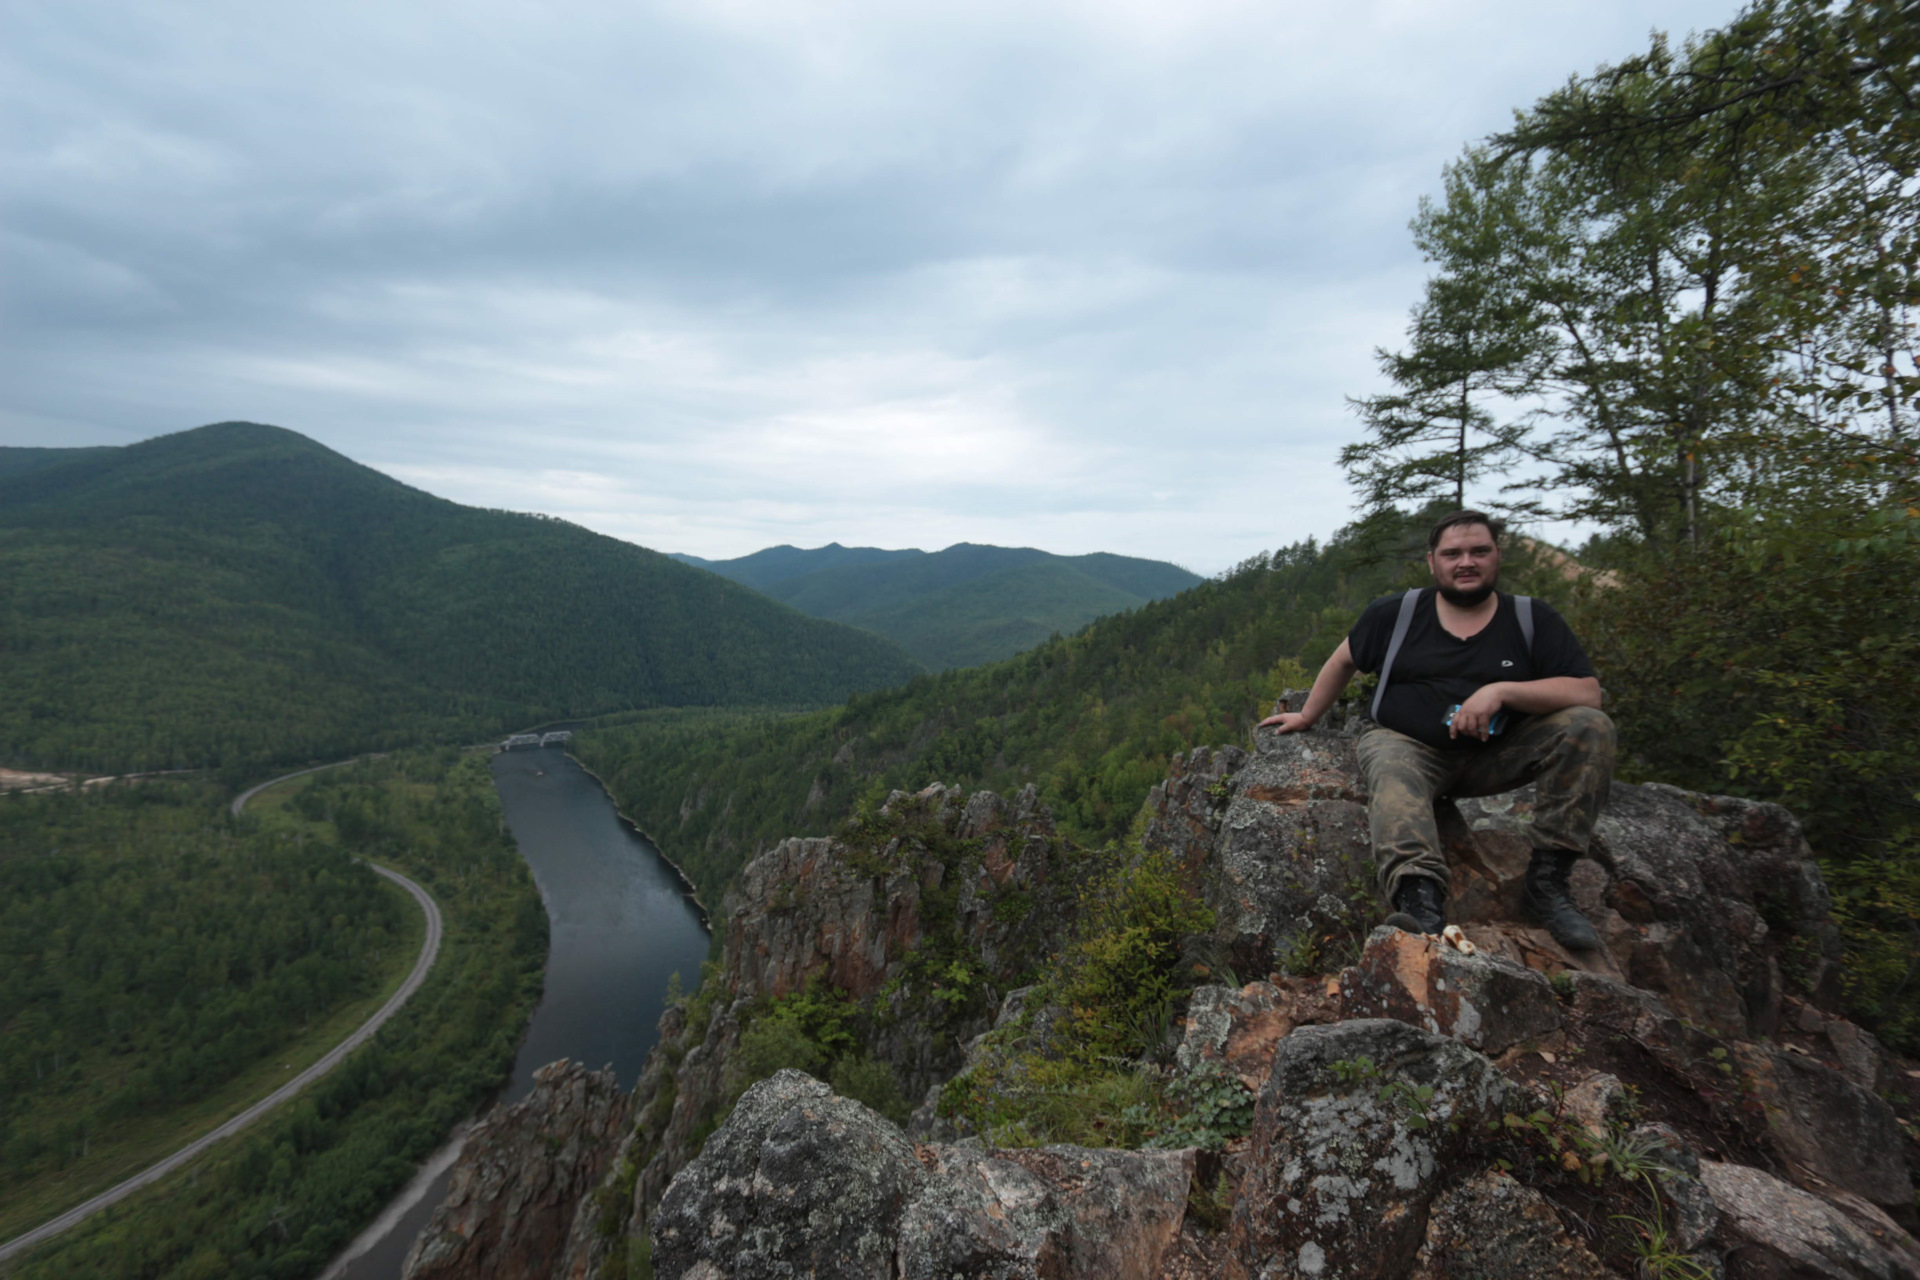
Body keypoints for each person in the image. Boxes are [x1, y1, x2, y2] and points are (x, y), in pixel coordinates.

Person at [1259, 510, 1614, 950]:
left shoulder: (1530, 619)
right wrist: (1308, 715)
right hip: (1409, 745)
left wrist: (1501, 691)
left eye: (1479, 551)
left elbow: (1586, 693)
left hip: (1497, 755)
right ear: (1433, 562)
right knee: (1390, 765)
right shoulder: (1397, 614)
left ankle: (1548, 886)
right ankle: (1420, 901)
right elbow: (1342, 660)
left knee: (1589, 727)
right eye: (1453, 553)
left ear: (1497, 556)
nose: (1466, 561)